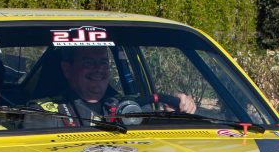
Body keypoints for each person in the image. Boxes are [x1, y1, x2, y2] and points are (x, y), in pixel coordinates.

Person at [30, 47, 197, 126]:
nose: (98, 69)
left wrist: (173, 110)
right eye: (88, 62)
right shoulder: (43, 112)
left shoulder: (127, 104)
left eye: (103, 62)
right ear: (67, 69)